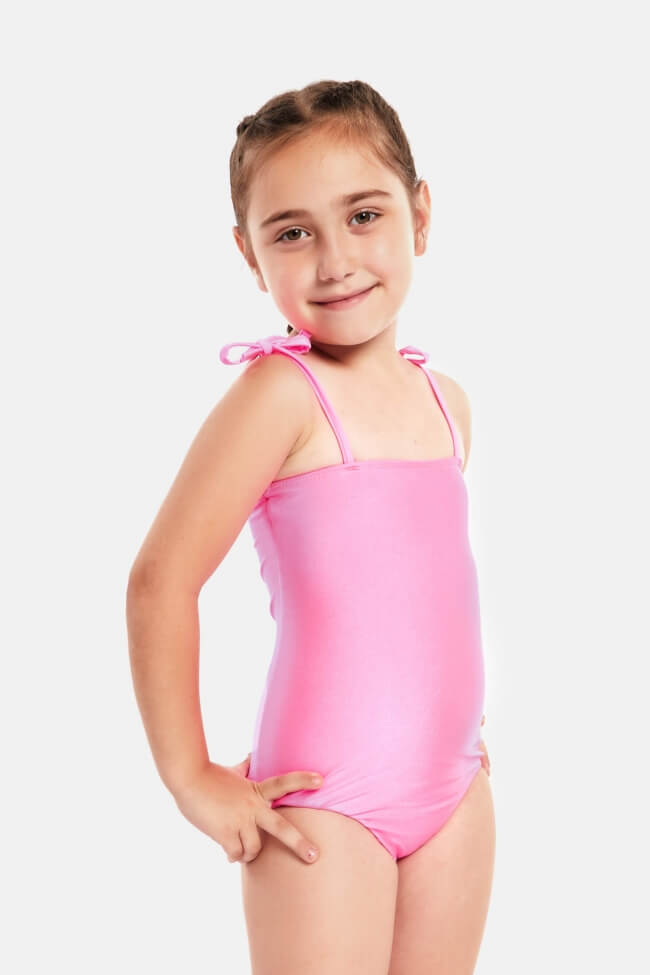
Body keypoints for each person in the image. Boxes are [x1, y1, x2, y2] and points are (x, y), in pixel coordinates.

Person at [127, 79, 496, 975]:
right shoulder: (280, 395)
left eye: (364, 216)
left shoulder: (447, 402)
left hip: (456, 785)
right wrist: (190, 774)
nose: (335, 261)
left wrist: (451, 737)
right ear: (250, 256)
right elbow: (160, 581)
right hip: (325, 799)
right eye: (292, 233)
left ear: (420, 214)